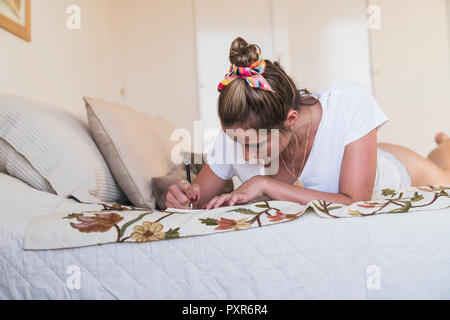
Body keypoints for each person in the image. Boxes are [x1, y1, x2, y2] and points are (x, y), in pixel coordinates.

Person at [165, 37, 450, 210]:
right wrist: (183, 195)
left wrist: (265, 184)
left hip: (397, 168)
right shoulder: (241, 130)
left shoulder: (348, 103)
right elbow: (196, 201)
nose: (246, 155)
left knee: (444, 172)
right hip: (358, 150)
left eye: (258, 144)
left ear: (291, 119)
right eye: (239, 144)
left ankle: (443, 143)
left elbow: (355, 203)